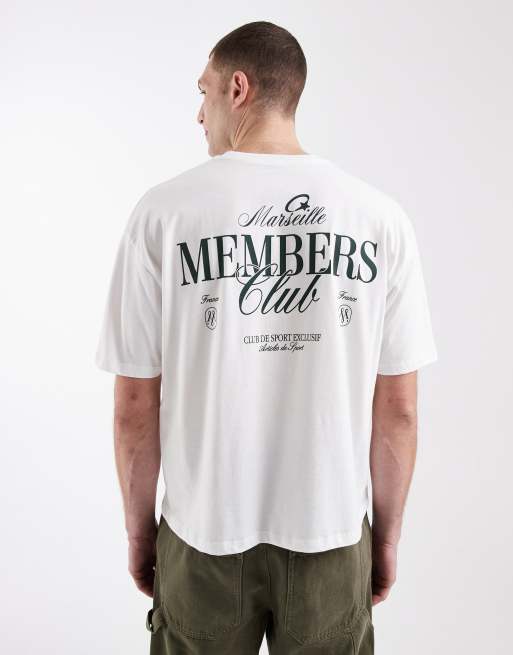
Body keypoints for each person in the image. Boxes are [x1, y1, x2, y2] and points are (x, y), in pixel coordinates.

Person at [95, 20, 438, 655]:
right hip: (331, 536)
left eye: (204, 92)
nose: (199, 114)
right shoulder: (378, 218)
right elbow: (399, 409)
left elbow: (133, 406)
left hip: (202, 537)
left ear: (238, 88)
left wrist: (141, 534)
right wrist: (385, 539)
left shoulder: (163, 213)